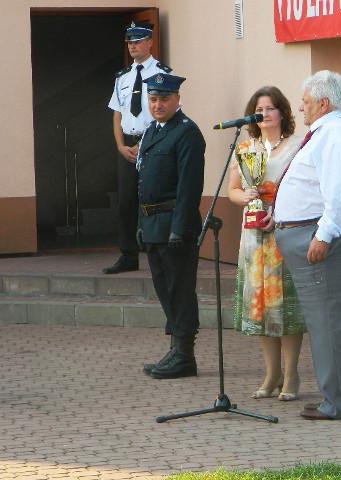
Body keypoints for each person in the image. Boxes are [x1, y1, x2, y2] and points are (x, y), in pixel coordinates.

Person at [271, 70, 341, 420]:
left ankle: (340, 403)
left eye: (305, 102)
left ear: (324, 103)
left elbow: (338, 192)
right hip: (316, 233)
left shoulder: (336, 135)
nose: (301, 108)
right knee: (328, 321)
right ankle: (338, 397)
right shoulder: (328, 132)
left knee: (331, 321)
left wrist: (324, 235)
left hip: (328, 238)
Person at [228, 86, 306, 401]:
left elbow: (303, 189)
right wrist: (245, 196)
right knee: (261, 305)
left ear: (282, 112)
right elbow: (233, 190)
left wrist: (280, 211)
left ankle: (292, 374)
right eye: (259, 110)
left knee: (284, 305)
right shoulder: (247, 148)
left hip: (284, 230)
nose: (264, 114)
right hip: (254, 235)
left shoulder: (297, 146)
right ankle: (272, 373)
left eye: (270, 108)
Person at [136, 73, 205, 379]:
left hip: (175, 225)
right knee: (165, 289)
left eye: (164, 99)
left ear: (177, 99)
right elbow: (143, 183)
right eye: (153, 99)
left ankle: (185, 355)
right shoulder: (151, 132)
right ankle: (176, 349)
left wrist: (180, 228)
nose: (158, 105)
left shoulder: (187, 133)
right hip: (153, 224)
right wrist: (140, 223)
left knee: (180, 290)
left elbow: (189, 188)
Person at [104, 21, 173, 274]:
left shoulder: (162, 73)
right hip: (128, 146)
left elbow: (168, 112)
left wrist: (145, 144)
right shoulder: (122, 77)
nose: (133, 46)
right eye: (130, 42)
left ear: (150, 42)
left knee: (155, 198)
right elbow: (117, 114)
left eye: (138, 41)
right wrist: (120, 146)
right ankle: (128, 255)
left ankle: (160, 252)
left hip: (153, 142)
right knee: (125, 203)